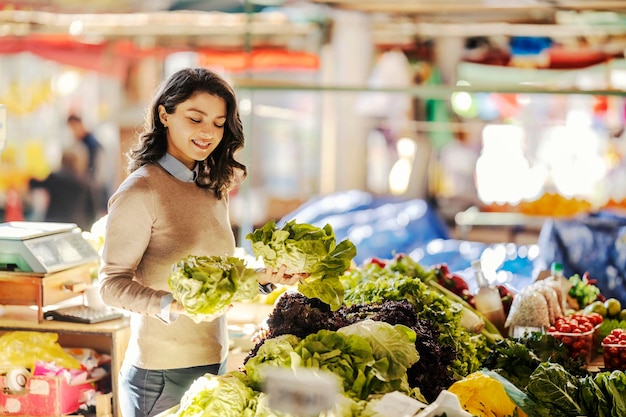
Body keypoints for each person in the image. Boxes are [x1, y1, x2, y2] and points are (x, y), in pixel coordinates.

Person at [98, 67, 304, 417]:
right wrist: (171, 304)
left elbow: (218, 274)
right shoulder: (141, 191)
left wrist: (264, 277)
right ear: (165, 114)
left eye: (219, 122)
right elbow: (110, 285)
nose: (209, 132)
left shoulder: (211, 185)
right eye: (196, 118)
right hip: (160, 376)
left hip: (213, 362)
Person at [28, 146, 96, 231]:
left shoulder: (54, 178)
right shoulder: (84, 181)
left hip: (54, 223)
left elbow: (35, 184)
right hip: (76, 225)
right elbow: (91, 210)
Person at [67, 113, 108, 215]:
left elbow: (97, 171)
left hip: (93, 189)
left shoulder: (92, 144)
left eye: (73, 127)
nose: (73, 132)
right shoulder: (79, 142)